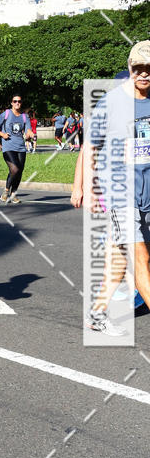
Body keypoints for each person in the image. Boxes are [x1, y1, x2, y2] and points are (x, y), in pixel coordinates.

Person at [71, 41, 150, 333]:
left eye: (148, 69)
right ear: (130, 69)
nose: (143, 74)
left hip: (146, 193)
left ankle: (98, 313)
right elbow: (89, 148)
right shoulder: (111, 102)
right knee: (139, 256)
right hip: (119, 192)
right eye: (138, 69)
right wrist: (86, 188)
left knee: (119, 257)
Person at [0, 96, 33, 203]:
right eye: (15, 101)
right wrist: (2, 134)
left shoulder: (25, 117)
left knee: (19, 171)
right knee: (14, 169)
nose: (17, 103)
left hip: (21, 147)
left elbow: (28, 130)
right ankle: (6, 191)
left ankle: (13, 193)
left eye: (19, 101)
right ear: (11, 103)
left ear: (21, 103)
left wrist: (30, 135)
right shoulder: (6, 114)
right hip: (8, 146)